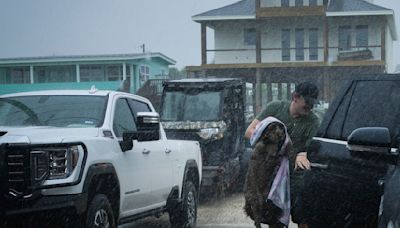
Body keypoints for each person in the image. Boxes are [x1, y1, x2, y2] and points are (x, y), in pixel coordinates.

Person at [244, 81, 320, 228]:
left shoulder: (313, 121)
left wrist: (303, 154)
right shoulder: (275, 108)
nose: (310, 107)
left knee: (303, 218)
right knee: (273, 218)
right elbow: (250, 132)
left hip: (296, 179)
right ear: (295, 97)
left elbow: (312, 149)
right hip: (272, 174)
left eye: (313, 104)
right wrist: (277, 141)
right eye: (307, 102)